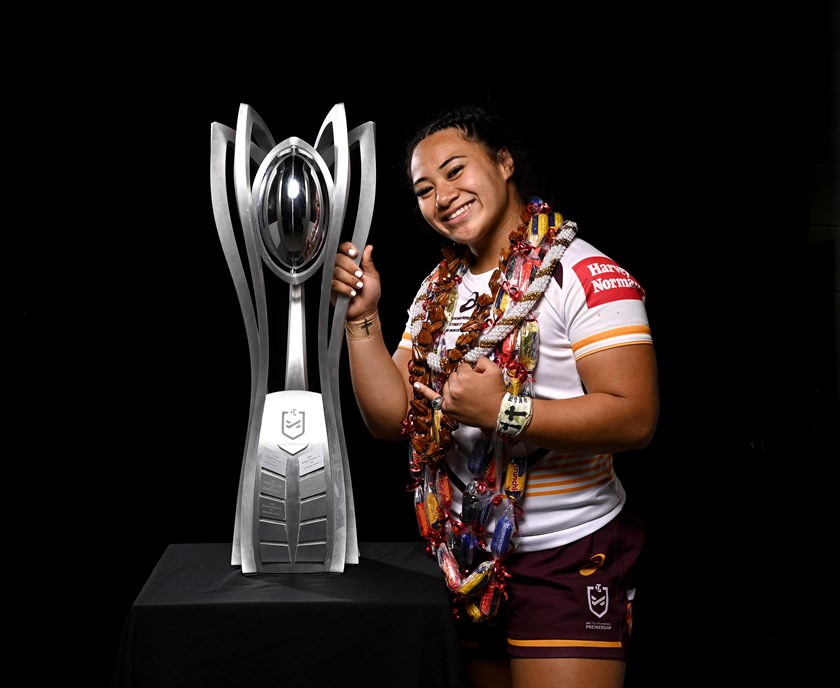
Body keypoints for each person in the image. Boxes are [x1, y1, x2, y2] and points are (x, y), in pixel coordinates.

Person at [331, 105, 659, 688]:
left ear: (504, 163)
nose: (443, 196)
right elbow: (389, 420)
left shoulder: (582, 272)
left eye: (457, 171)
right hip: (467, 558)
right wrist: (363, 320)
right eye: (425, 189)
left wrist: (505, 412)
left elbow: (635, 419)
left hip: (568, 553)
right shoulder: (438, 288)